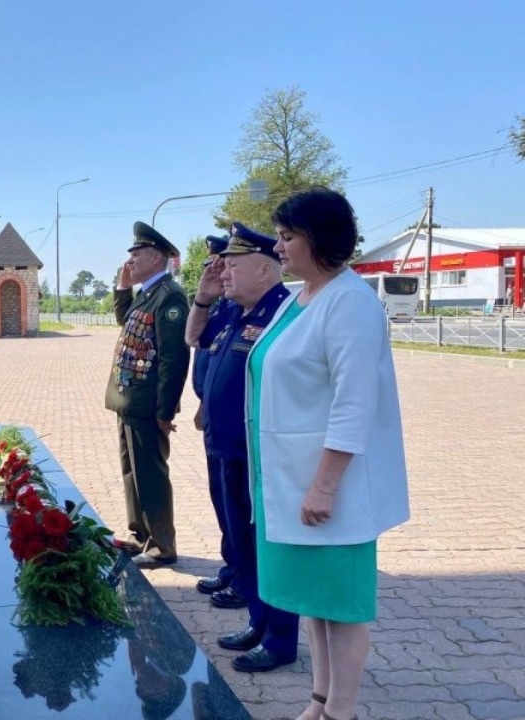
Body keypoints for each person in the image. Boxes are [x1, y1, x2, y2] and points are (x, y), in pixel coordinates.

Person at [250, 188, 409, 720]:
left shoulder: (351, 301)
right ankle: (319, 700)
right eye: (279, 235)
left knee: (342, 605)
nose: (278, 246)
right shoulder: (303, 296)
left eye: (288, 236)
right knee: (315, 602)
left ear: (321, 240)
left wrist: (324, 485)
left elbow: (353, 403)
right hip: (292, 477)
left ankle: (342, 712)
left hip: (329, 484)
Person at [185, 223, 299, 673]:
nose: (224, 272)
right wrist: (204, 295)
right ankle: (258, 621)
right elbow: (194, 337)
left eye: (233, 265)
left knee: (265, 546)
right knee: (242, 543)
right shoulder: (235, 311)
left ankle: (280, 639)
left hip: (258, 454)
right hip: (225, 448)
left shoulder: (283, 313)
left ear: (266, 269)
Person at [105, 221, 190, 568]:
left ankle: (162, 545)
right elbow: (128, 322)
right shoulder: (147, 293)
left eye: (136, 256)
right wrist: (122, 289)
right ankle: (140, 533)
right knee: (132, 471)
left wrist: (165, 411)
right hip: (129, 399)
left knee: (151, 474)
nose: (130, 263)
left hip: (148, 404)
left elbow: (174, 358)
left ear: (156, 258)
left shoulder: (170, 296)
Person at [185, 234, 245, 607]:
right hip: (214, 419)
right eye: (210, 264)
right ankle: (231, 568)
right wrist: (203, 297)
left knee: (237, 504)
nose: (214, 270)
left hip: (237, 426)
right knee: (221, 498)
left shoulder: (245, 308)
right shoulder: (221, 307)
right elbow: (193, 338)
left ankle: (243, 578)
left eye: (221, 263)